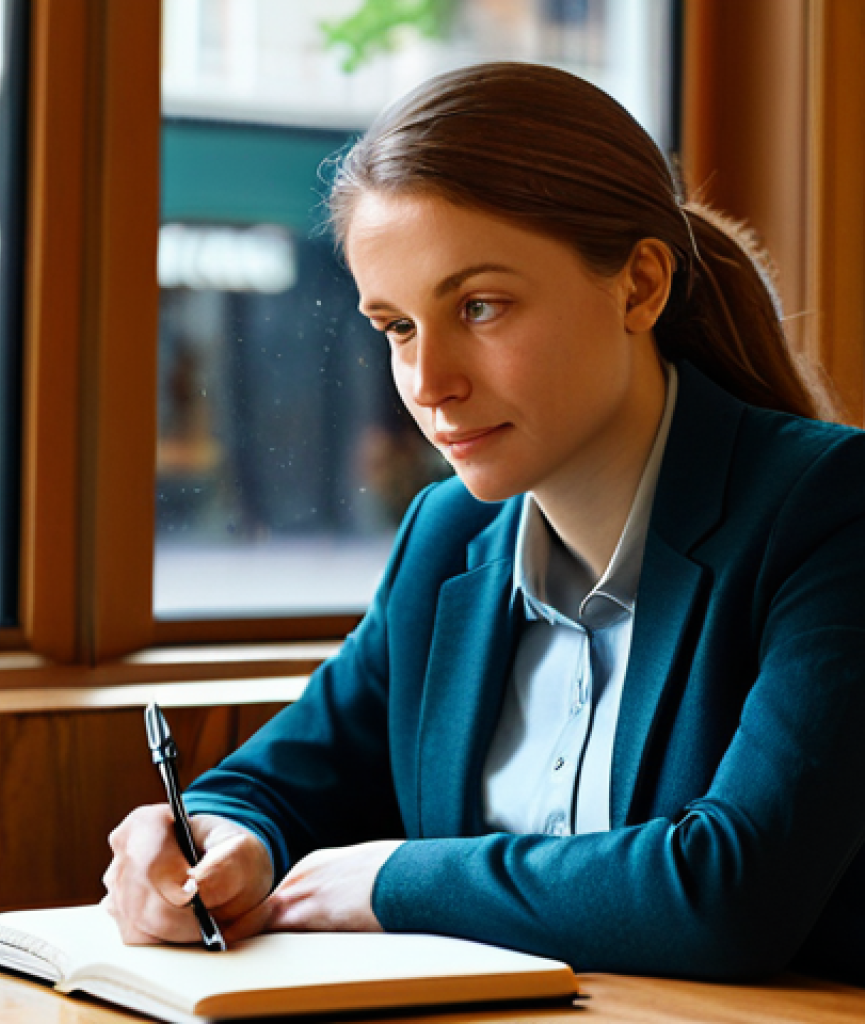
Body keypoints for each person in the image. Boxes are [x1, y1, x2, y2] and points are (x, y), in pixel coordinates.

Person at [103, 63, 865, 984]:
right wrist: (216, 842)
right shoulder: (446, 538)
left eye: (479, 307)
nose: (430, 385)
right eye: (396, 327)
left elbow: (729, 894)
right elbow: (276, 781)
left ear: (640, 287)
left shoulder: (831, 510)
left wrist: (392, 883)